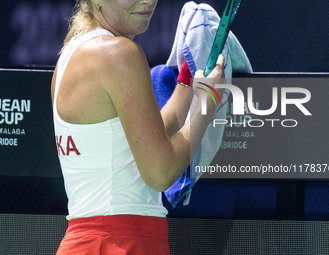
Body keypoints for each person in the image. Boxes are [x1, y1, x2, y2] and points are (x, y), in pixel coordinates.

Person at [51, 0, 225, 254]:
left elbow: (143, 141)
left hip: (87, 243)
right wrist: (208, 104)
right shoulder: (119, 53)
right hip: (121, 242)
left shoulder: (72, 52)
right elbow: (160, 173)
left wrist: (188, 77)